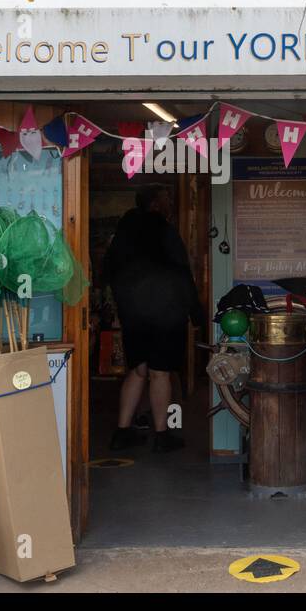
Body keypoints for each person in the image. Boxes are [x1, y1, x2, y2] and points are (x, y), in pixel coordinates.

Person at [102, 185, 201, 453]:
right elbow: (183, 274)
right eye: (167, 198)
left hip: (133, 312)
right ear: (155, 204)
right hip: (164, 312)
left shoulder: (123, 232)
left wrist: (119, 307)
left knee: (138, 369)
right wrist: (196, 314)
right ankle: (161, 434)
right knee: (160, 372)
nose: (170, 203)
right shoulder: (165, 231)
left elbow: (108, 270)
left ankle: (122, 432)